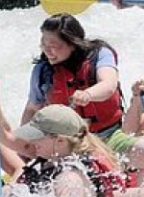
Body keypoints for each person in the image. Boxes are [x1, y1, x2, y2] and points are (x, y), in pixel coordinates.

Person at [21, 14, 132, 155]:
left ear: (73, 44)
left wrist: (88, 94)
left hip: (109, 135)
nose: (46, 51)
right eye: (43, 43)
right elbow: (32, 110)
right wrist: (24, 144)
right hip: (68, 146)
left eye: (53, 46)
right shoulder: (42, 71)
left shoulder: (100, 54)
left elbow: (109, 85)